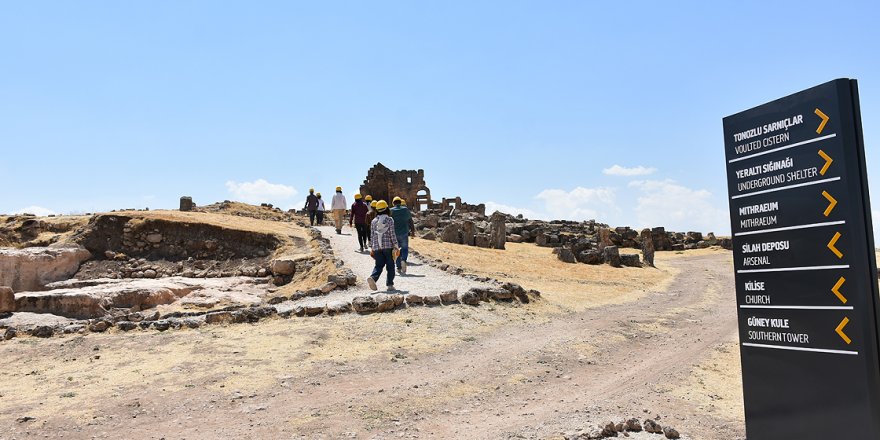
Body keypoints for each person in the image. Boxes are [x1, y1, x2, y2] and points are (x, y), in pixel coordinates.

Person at [368, 200, 399, 291]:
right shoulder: (389, 220)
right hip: (388, 247)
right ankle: (390, 285)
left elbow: (372, 235)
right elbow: (392, 233)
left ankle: (373, 278)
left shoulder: (374, 221)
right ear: (386, 209)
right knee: (390, 266)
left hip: (377, 247)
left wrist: (372, 247)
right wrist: (396, 245)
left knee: (378, 265)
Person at [390, 197, 413, 274]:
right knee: (405, 248)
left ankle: (398, 267)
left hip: (394, 234)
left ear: (393, 203)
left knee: (396, 249)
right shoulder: (405, 209)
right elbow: (410, 220)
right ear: (400, 202)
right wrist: (413, 231)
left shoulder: (391, 210)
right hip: (404, 232)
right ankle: (404, 260)